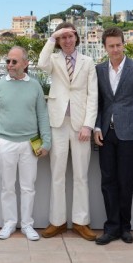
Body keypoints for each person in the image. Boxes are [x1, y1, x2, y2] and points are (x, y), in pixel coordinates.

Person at [37, 22, 98, 241]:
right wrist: (52, 37)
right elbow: (41, 64)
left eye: (70, 36)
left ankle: (82, 222)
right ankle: (58, 221)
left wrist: (88, 125)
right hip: (58, 123)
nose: (67, 40)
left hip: (81, 124)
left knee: (81, 176)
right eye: (63, 37)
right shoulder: (53, 59)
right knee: (57, 175)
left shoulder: (88, 62)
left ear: (77, 38)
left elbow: (93, 96)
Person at [0, 47, 51, 241]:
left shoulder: (35, 86)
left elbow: (42, 116)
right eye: (8, 61)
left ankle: (27, 225)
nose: (10, 65)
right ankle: (9, 223)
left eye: (14, 62)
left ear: (25, 63)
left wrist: (46, 141)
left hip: (30, 144)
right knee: (7, 187)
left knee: (28, 187)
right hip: (6, 143)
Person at [93, 27, 133, 245]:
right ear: (105, 47)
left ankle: (125, 227)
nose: (115, 49)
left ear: (123, 44)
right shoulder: (98, 70)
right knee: (108, 182)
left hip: (130, 133)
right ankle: (111, 227)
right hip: (106, 134)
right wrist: (97, 127)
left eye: (118, 45)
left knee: (126, 182)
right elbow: (97, 102)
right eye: (111, 46)